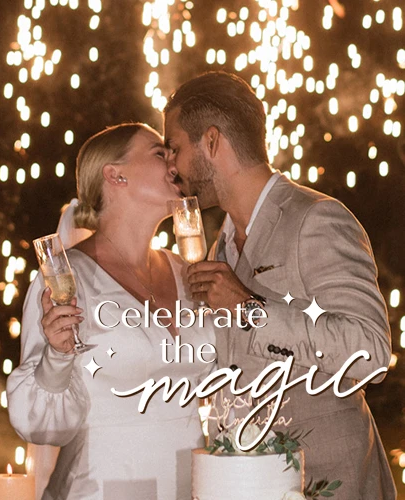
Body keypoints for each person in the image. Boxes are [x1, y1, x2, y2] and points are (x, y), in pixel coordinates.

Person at [163, 72, 396, 499]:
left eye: (175, 148)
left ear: (212, 142)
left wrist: (250, 309)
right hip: (248, 484)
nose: (171, 166)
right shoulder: (220, 245)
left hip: (329, 482)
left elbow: (372, 355)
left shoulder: (316, 218)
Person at [7, 123, 216, 500]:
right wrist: (55, 356)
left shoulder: (188, 273)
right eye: (158, 152)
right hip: (100, 489)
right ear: (114, 174)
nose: (173, 161)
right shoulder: (67, 282)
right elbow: (41, 427)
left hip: (191, 487)